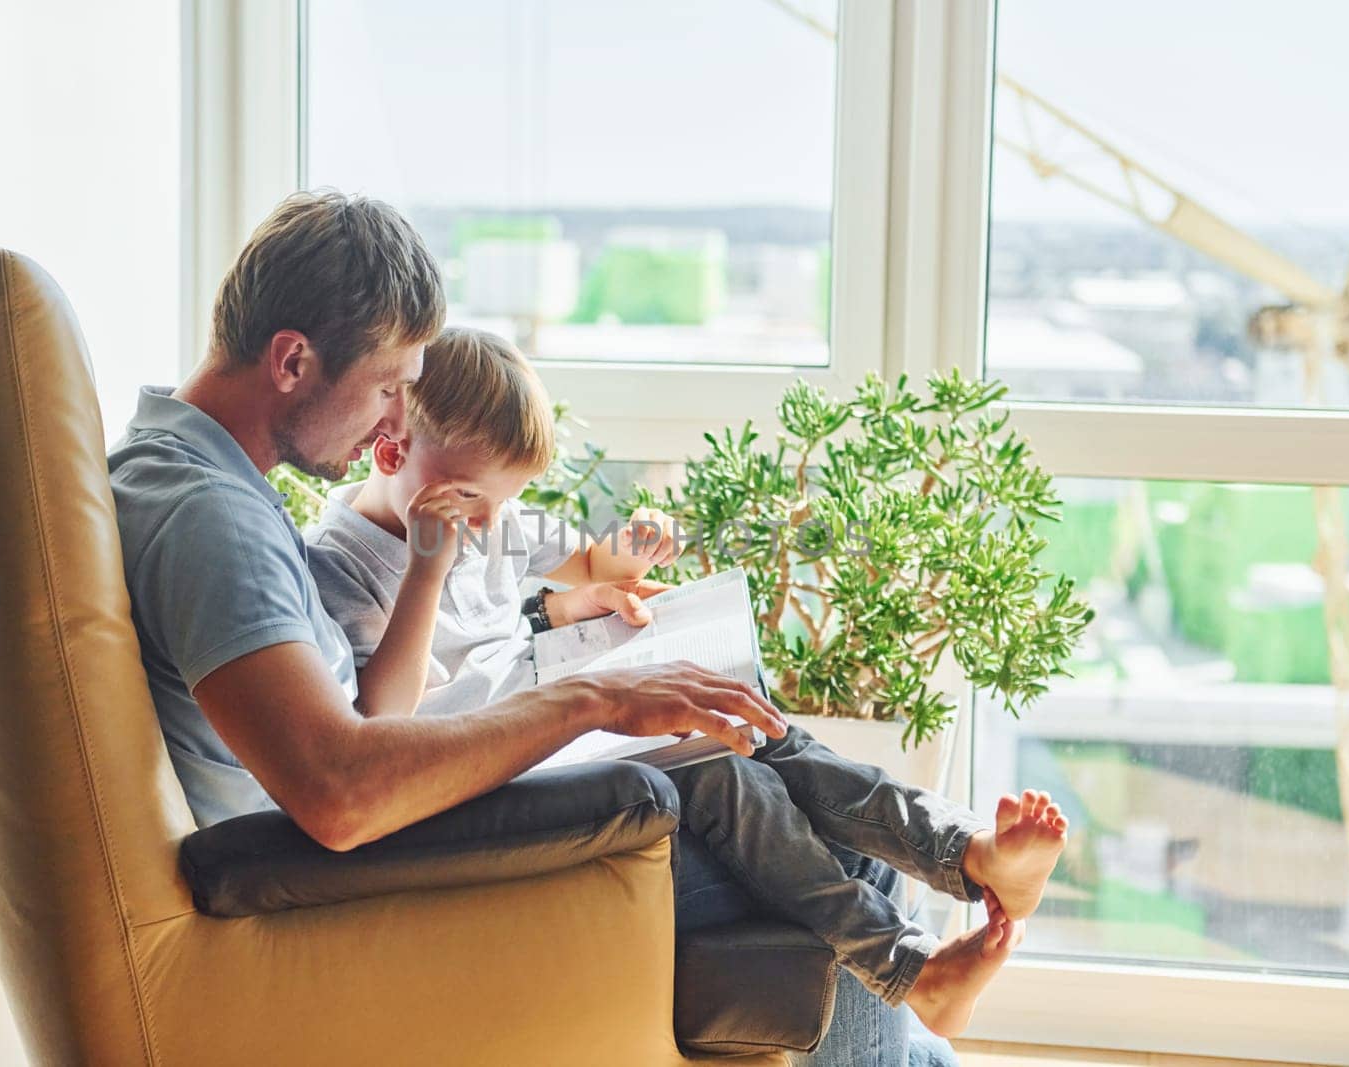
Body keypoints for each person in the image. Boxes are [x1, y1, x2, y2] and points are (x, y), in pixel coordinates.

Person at [103, 188, 988, 1064]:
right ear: (292, 361)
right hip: (350, 881)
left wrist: (577, 637)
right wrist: (593, 699)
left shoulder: (205, 485)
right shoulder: (210, 517)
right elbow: (340, 793)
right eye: (386, 388)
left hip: (363, 848)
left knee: (784, 810)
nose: (393, 425)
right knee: (825, 858)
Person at [305, 326, 1070, 1038]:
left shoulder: (490, 520)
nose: (486, 523)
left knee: (758, 726)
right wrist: (424, 573)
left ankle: (963, 850)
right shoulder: (342, 564)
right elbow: (382, 718)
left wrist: (630, 552)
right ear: (388, 449)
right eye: (471, 498)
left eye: (502, 502)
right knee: (725, 777)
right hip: (488, 779)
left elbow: (590, 565)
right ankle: (909, 968)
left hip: (557, 728)